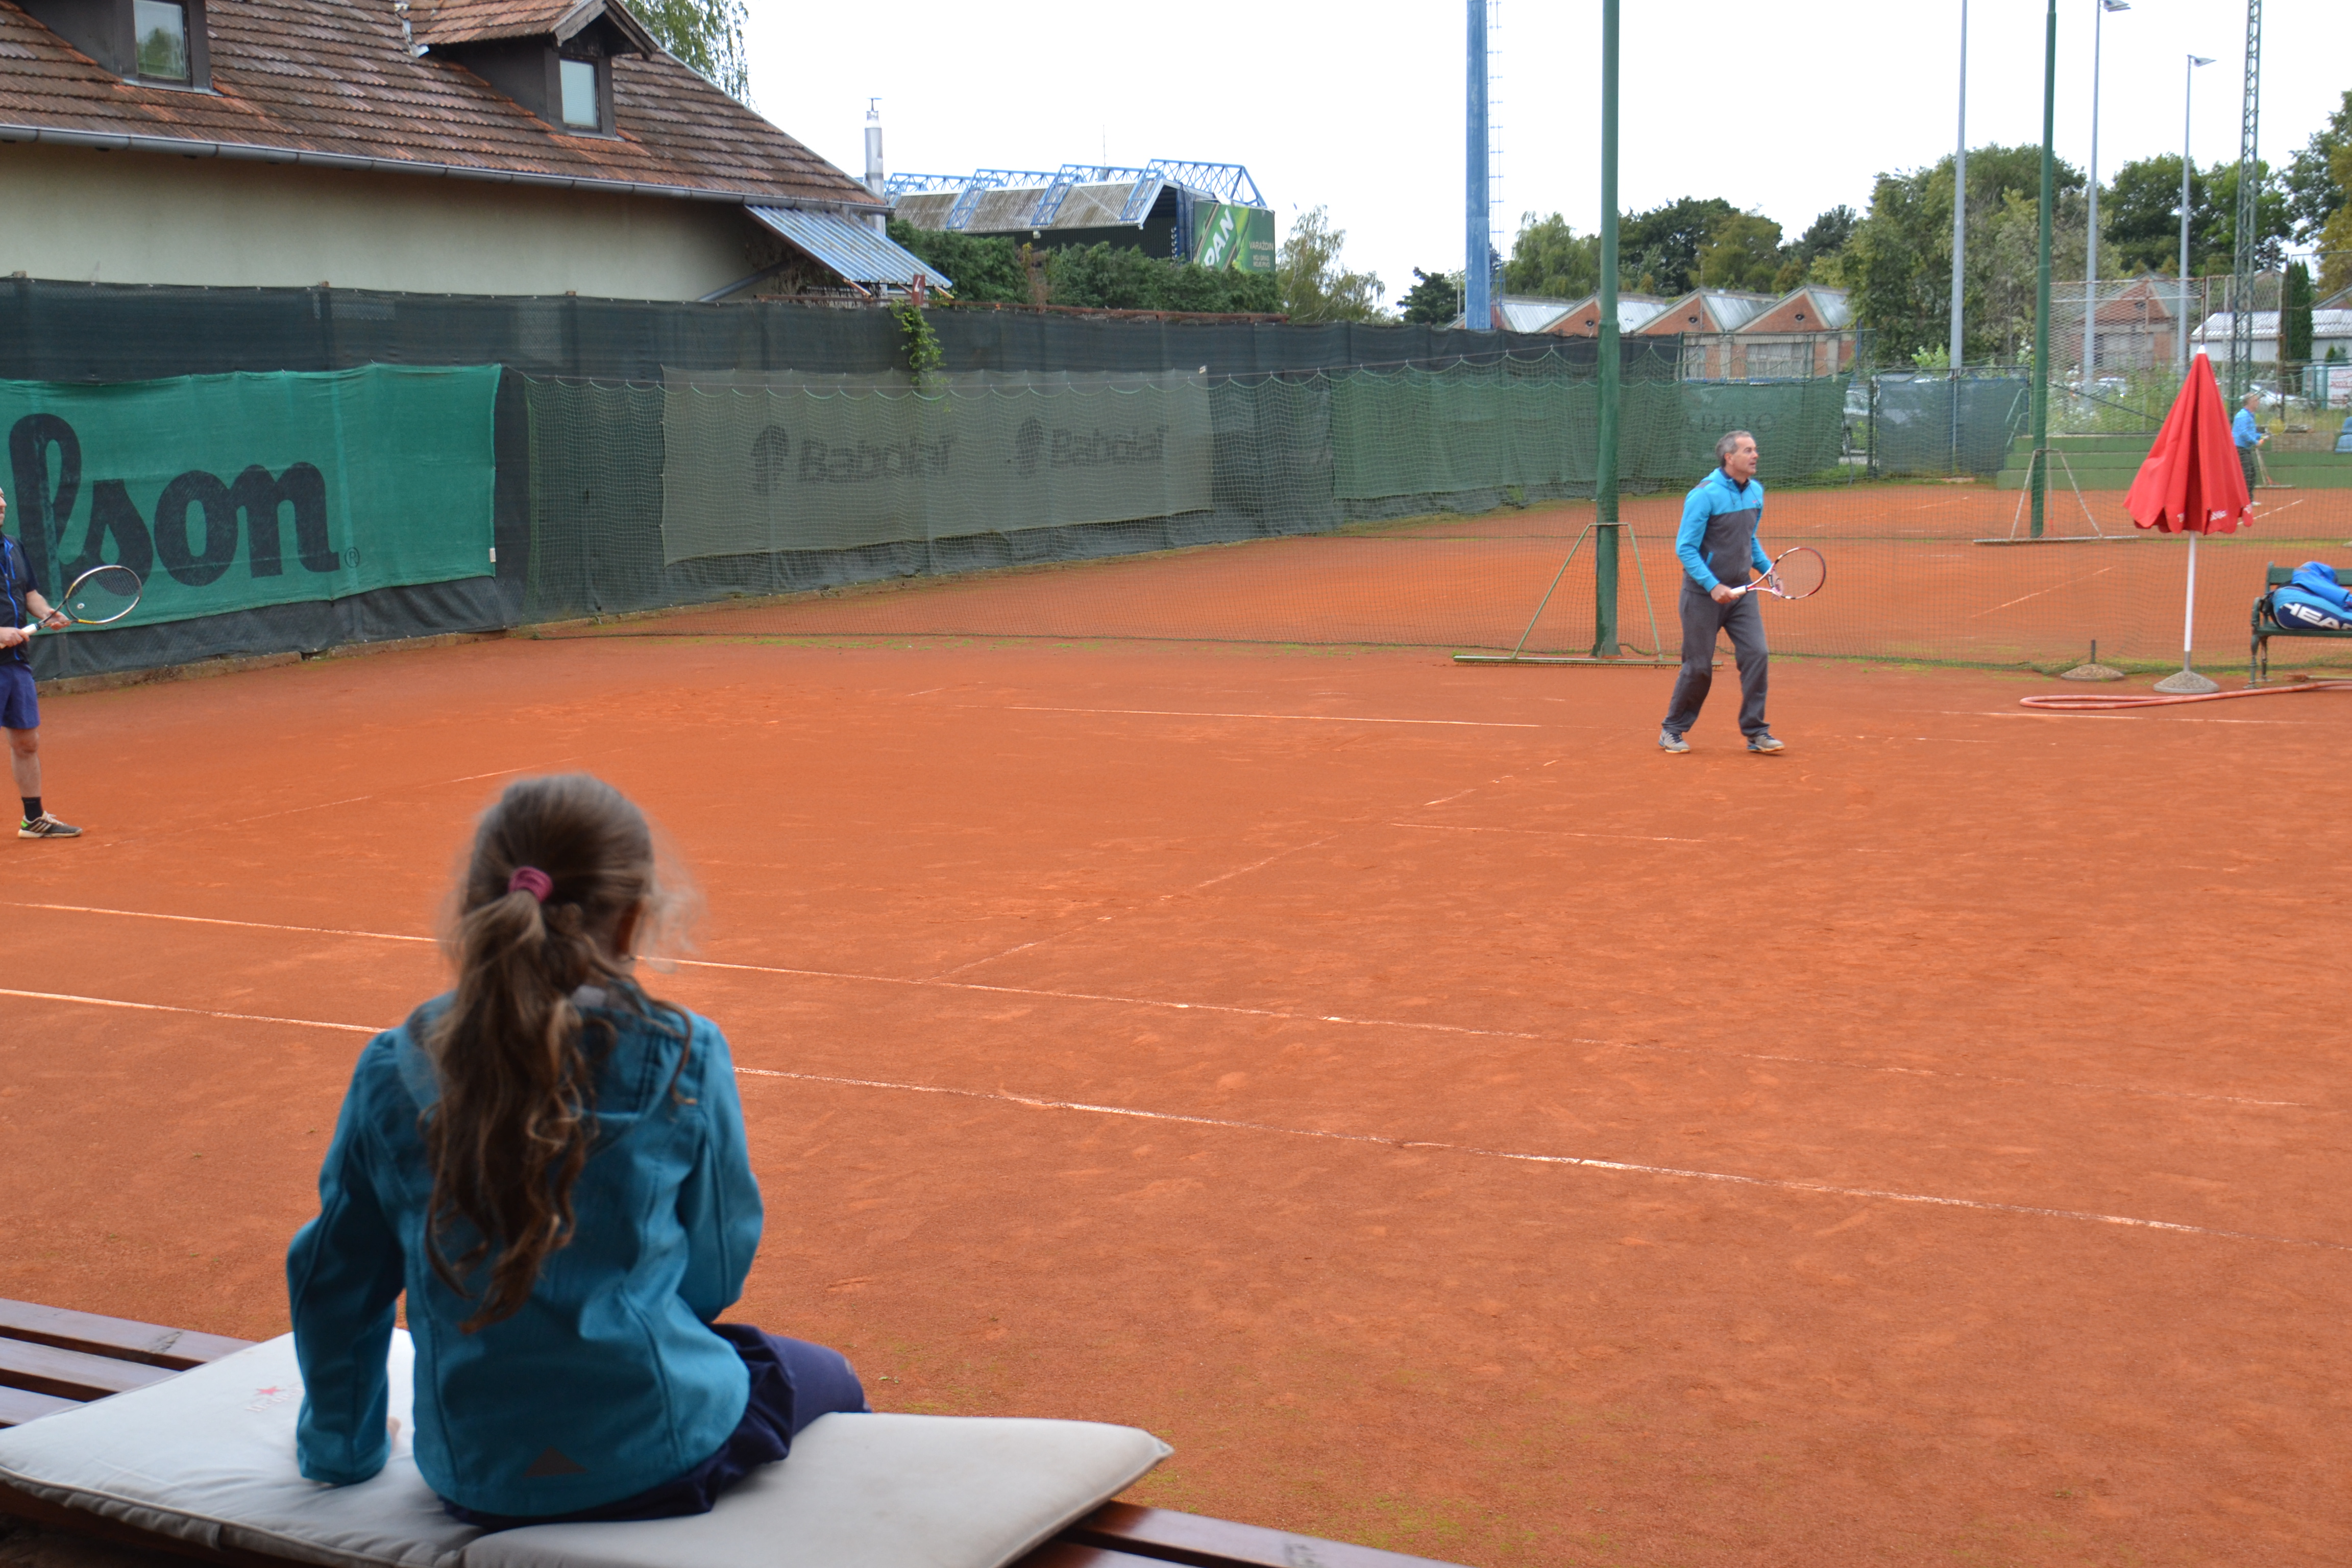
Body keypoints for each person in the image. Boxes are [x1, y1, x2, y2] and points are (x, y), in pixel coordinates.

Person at [287, 775, 866, 1527]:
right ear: (632, 920)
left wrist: (342, 1451)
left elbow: (335, 1282)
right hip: (660, 1447)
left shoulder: (390, 1069)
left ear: (477, 906)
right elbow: (718, 1263)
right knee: (834, 1379)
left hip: (474, 1474)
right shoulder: (686, 1055)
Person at [1659, 431, 1782, 754]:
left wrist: (1769, 572)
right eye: (1748, 450)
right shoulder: (1704, 495)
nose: (1755, 455)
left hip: (1743, 592)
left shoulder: (1756, 491)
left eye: (1756, 449)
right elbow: (1685, 548)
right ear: (1729, 458)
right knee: (1698, 666)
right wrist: (1713, 586)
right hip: (1702, 596)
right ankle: (1672, 730)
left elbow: (1749, 540)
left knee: (1757, 654)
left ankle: (1756, 732)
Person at [0, 484, 80, 839]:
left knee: (27, 741)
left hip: (15, 662)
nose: (2, 503)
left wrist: (48, 613)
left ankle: (33, 820)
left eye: (2, 496)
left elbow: (30, 593)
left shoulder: (13, 545)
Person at [2269, 560, 2352, 630]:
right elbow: (2341, 603)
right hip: (2290, 602)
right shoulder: (2310, 576)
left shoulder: (2306, 578)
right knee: (2344, 619)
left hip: (2286, 604)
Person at [2233, 390, 2268, 494]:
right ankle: (2245, 501)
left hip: (2245, 449)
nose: (2258, 402)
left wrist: (2262, 436)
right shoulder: (2243, 415)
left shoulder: (2250, 416)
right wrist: (2256, 442)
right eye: (2256, 400)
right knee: (2247, 475)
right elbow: (2244, 433)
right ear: (2249, 402)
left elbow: (2251, 433)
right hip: (2239, 449)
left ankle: (2249, 500)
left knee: (2251, 475)